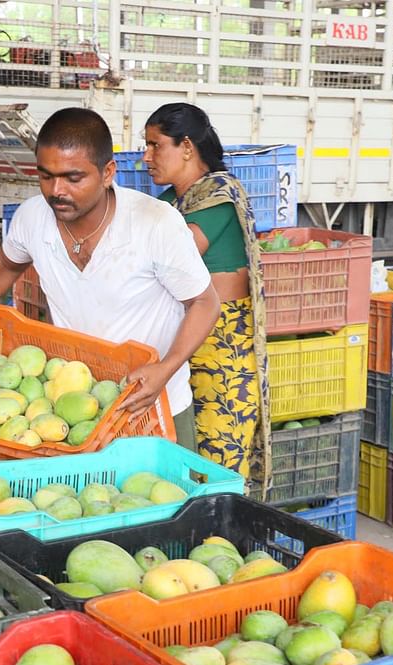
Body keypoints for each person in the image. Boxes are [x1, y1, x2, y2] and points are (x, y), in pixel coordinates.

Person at [0, 108, 221, 448]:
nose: (56, 190)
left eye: (72, 178)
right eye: (46, 176)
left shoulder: (155, 223)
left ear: (108, 172)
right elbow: (6, 264)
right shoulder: (33, 216)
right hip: (72, 408)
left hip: (151, 403)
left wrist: (165, 368)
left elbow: (204, 302)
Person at [143, 102, 271, 494]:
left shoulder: (219, 195)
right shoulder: (167, 203)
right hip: (181, 341)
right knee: (181, 457)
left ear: (186, 146)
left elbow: (175, 256)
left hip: (222, 350)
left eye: (154, 145)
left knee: (217, 463)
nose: (146, 157)